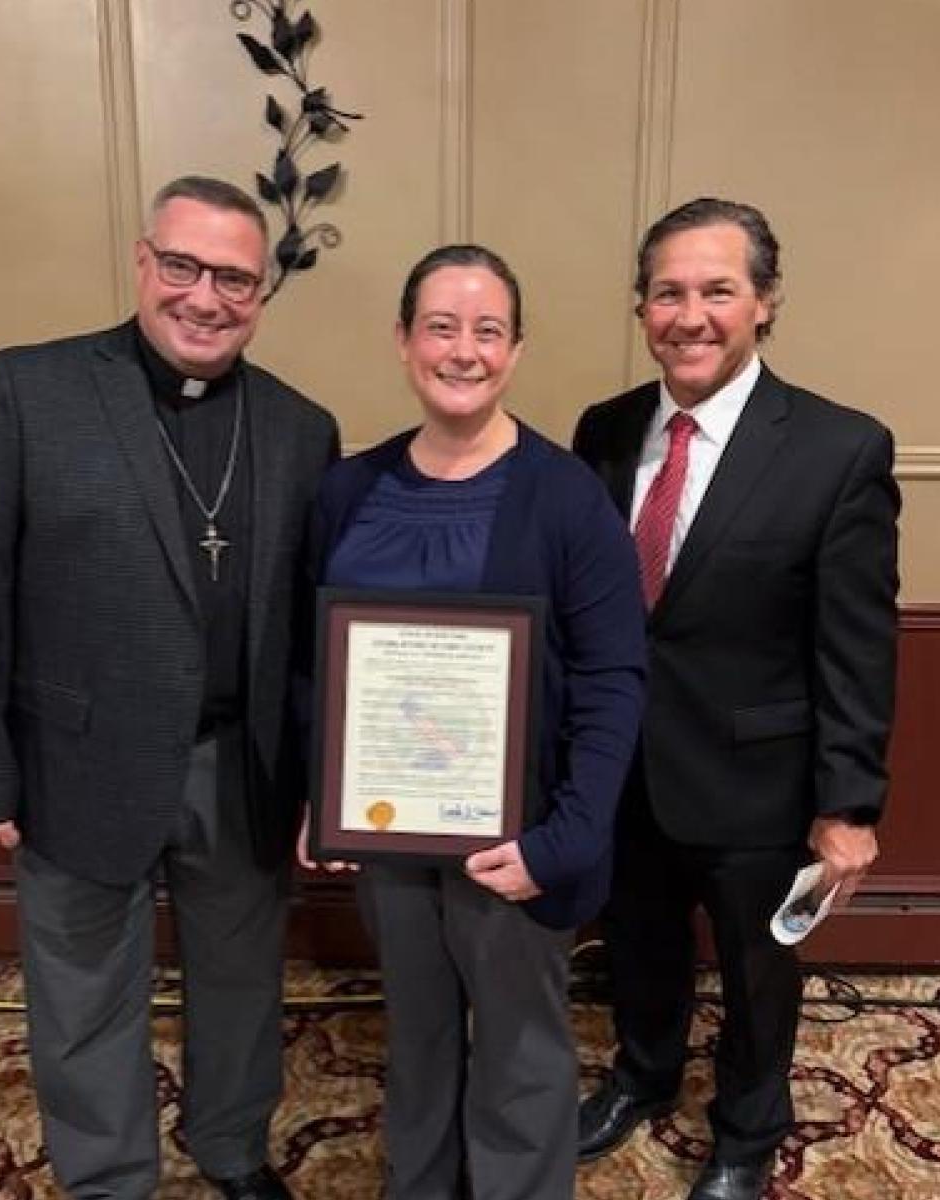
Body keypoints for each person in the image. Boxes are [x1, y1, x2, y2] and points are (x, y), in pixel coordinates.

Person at [0, 175, 339, 1200]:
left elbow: (315, 630)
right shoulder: (30, 388)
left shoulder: (301, 428)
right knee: (84, 989)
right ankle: (109, 1178)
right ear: (144, 263)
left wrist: (327, 780)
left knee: (241, 980)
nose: (205, 296)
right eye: (184, 266)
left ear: (261, 296)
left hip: (242, 766)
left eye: (234, 277)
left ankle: (233, 1148)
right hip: (76, 757)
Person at [303, 244, 646, 1199]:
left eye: (487, 330)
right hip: (388, 833)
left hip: (517, 839)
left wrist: (567, 840)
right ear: (405, 342)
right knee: (413, 1031)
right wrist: (317, 789)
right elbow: (316, 661)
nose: (464, 350)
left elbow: (616, 679)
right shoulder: (349, 490)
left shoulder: (568, 496)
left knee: (520, 1049)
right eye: (442, 327)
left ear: (517, 349)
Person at [573, 199, 899, 1200]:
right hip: (625, 766)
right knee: (639, 942)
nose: (691, 314)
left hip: (759, 778)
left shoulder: (839, 448)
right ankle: (645, 1071)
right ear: (641, 308)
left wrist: (848, 808)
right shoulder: (607, 428)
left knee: (760, 977)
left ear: (765, 304)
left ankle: (749, 1131)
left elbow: (857, 642)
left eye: (718, 290)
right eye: (669, 292)